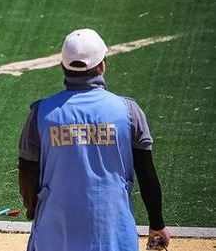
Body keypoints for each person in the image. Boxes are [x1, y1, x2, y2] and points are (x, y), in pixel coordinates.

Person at [18, 28, 171, 251]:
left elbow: (27, 171)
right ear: (102, 65)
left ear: (63, 66)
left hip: (54, 235)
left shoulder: (41, 113)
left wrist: (32, 208)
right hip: (113, 234)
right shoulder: (129, 111)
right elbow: (147, 174)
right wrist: (157, 223)